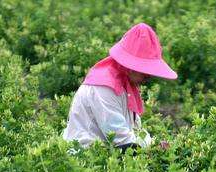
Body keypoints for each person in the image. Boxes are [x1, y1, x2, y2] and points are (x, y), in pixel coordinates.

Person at [63, 23, 177, 152]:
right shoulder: (104, 86)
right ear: (130, 66)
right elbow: (120, 138)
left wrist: (154, 144)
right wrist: (152, 150)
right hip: (84, 159)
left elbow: (133, 129)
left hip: (105, 156)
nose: (148, 75)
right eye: (144, 70)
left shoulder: (126, 84)